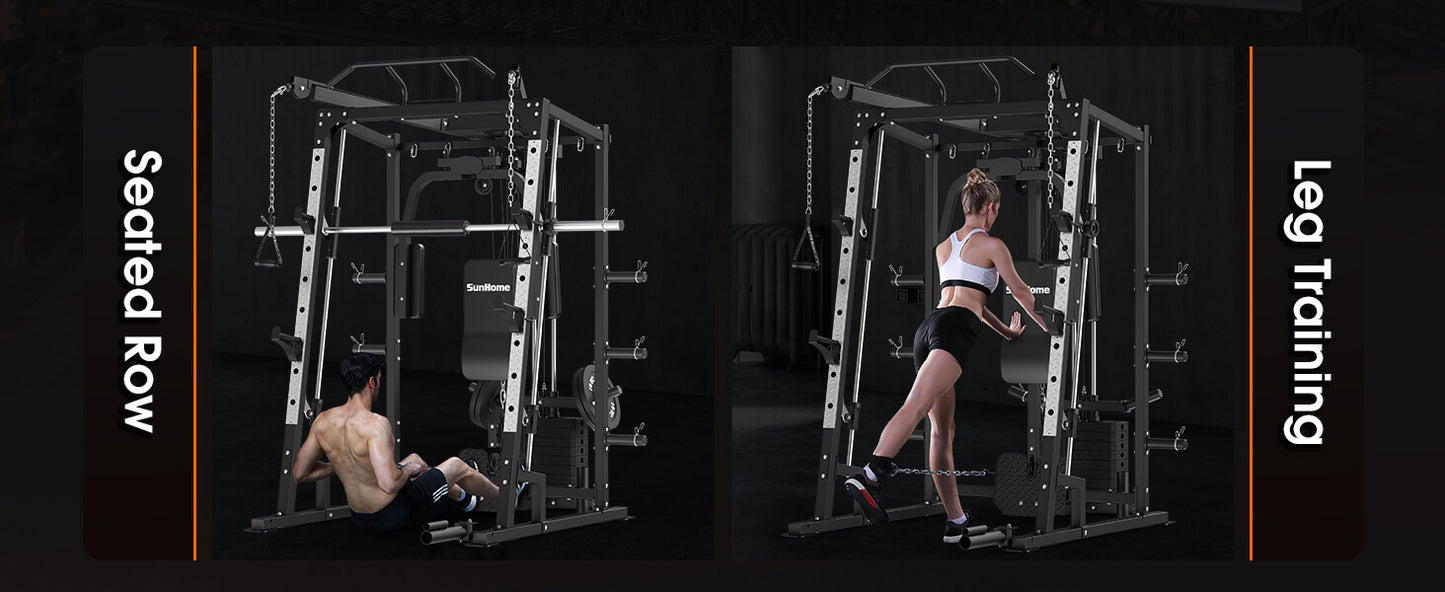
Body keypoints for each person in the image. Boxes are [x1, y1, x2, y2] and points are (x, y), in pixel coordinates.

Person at [842, 168, 1050, 543]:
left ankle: (956, 521)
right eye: (997, 209)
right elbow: (1020, 291)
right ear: (990, 207)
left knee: (942, 430)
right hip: (955, 331)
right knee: (916, 405)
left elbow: (971, 300)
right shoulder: (993, 245)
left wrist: (1006, 332)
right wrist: (1048, 323)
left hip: (930, 327)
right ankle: (870, 474)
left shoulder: (944, 247)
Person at [291, 352, 521, 532]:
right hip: (394, 514)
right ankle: (506, 498)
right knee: (457, 466)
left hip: (361, 518)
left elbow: (300, 473)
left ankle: (465, 499)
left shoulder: (323, 421)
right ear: (371, 382)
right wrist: (407, 471)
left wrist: (338, 465)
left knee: (415, 459)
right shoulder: (375, 424)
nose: (379, 384)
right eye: (379, 380)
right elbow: (390, 485)